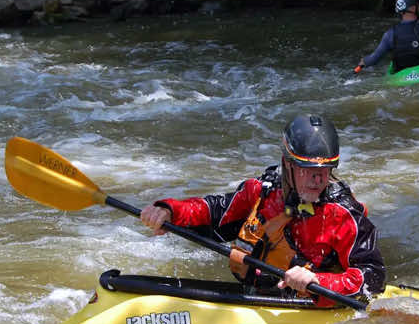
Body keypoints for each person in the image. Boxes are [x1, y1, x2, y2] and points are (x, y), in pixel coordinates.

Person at [139, 114, 386, 307]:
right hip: (258, 296)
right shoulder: (262, 193)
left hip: (312, 305)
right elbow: (214, 210)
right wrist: (170, 211)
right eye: (305, 169)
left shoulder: (344, 216)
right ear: (287, 165)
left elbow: (372, 278)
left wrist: (319, 281)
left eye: (325, 170)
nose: (317, 179)